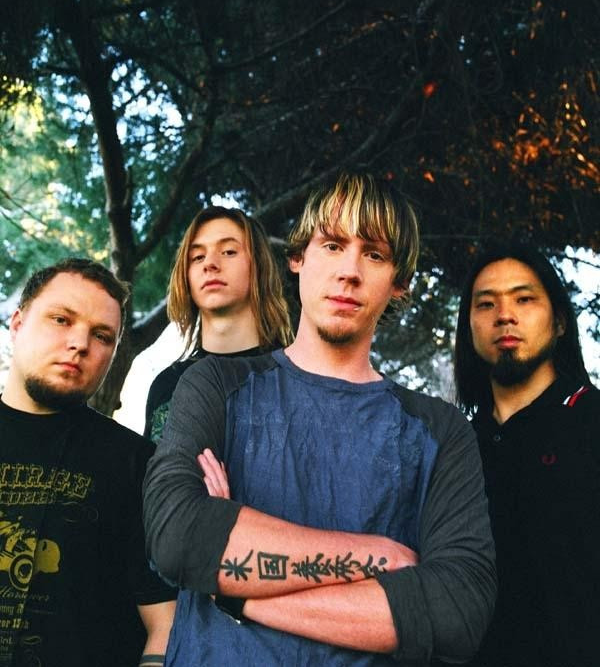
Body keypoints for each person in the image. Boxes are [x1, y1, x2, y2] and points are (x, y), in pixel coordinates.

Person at [143, 173, 496, 666]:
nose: (349, 271)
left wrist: (234, 590)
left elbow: (456, 612)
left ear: (399, 284)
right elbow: (177, 536)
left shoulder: (439, 429)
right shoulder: (215, 386)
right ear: (298, 258)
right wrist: (379, 557)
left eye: (374, 255)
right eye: (332, 245)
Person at [0, 258, 176, 667]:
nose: (80, 343)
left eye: (101, 335)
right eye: (61, 320)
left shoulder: (136, 464)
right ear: (18, 324)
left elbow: (165, 623)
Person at [454, 240, 599, 667]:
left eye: (524, 299)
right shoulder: (454, 449)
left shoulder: (591, 422)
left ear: (559, 322)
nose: (504, 315)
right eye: (486, 304)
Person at [144, 206, 293, 442]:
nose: (210, 264)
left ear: (258, 266)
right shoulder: (167, 385)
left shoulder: (296, 378)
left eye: (229, 252)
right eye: (197, 257)